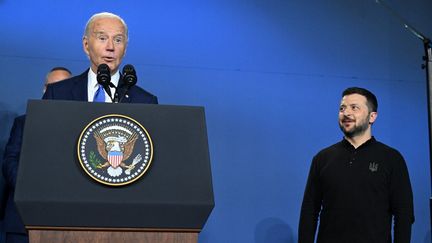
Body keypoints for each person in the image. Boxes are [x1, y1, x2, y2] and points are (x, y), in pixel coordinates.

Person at [2, 12, 158, 243]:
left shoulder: (144, 102)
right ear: (86, 45)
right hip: (57, 218)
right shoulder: (59, 93)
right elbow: (39, 153)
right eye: (102, 38)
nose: (110, 47)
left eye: (118, 39)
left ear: (125, 47)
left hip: (117, 222)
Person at [298, 87, 414, 243]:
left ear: (372, 116)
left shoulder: (391, 158)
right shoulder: (323, 158)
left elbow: (403, 214)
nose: (346, 113)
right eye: (342, 108)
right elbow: (309, 211)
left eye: (354, 108)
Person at [1, 67, 72, 243]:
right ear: (44, 89)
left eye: (62, 87)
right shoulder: (23, 122)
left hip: (66, 223)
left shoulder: (79, 129)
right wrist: (31, 190)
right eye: (52, 86)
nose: (56, 92)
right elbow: (10, 161)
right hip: (22, 222)